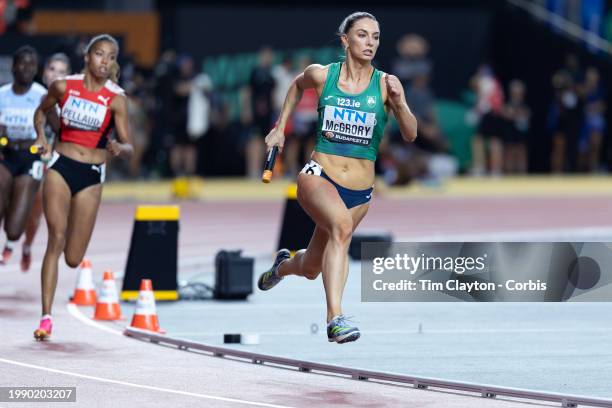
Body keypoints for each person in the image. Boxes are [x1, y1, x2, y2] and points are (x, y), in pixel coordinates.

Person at [257, 12, 417, 344]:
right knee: (341, 229)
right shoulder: (322, 75)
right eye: (362, 35)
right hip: (319, 176)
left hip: (359, 193)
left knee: (312, 267)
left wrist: (401, 105)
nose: (370, 42)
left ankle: (283, 266)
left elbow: (411, 134)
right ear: (345, 40)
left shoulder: (386, 85)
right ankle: (336, 319)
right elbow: (295, 86)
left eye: (375, 36)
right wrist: (279, 128)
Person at [32, 34, 133, 341]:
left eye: (111, 57)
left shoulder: (117, 98)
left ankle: (50, 309)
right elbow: (40, 111)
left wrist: (119, 147)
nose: (105, 61)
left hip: (91, 174)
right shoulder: (64, 86)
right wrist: (41, 137)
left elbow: (130, 146)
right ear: (87, 57)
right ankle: (46, 317)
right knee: (56, 239)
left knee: (74, 257)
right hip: (61, 166)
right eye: (100, 54)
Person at [20, 53, 71, 272]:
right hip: (27, 156)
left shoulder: (72, 101)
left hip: (57, 160)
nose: (55, 75)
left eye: (61, 72)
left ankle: (28, 245)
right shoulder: (33, 95)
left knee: (36, 211)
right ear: (43, 72)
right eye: (52, 69)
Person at [0, 46, 48, 265]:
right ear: (13, 67)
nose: (27, 68)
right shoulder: (2, 95)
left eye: (32, 64)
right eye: (22, 63)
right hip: (5, 155)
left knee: (14, 229)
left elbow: (56, 127)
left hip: (30, 158)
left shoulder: (42, 96)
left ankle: (12, 242)